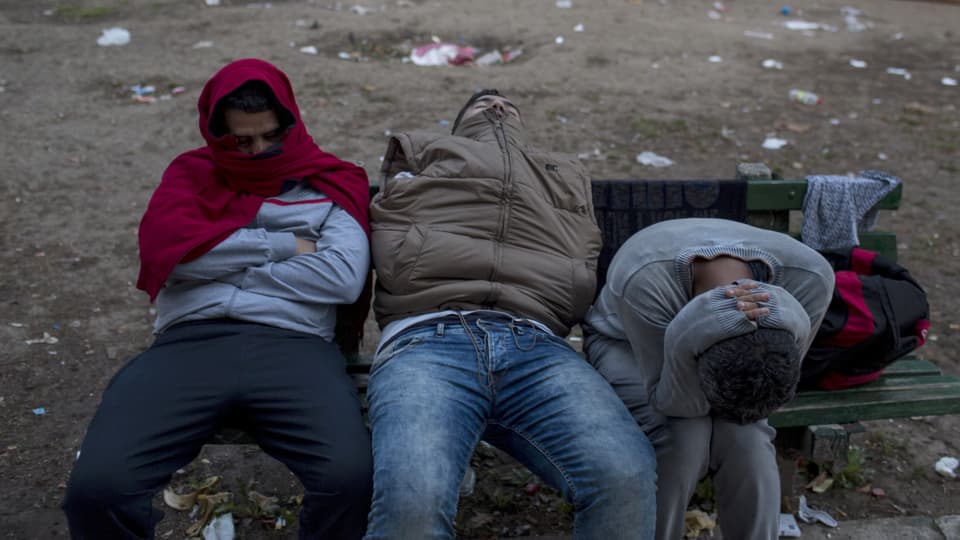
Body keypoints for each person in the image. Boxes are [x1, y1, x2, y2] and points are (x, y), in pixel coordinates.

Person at [62, 59, 373, 539]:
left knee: (349, 478)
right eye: (241, 142)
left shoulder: (331, 183)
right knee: (97, 487)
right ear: (217, 135)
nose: (258, 152)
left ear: (291, 123)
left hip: (295, 348)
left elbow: (341, 278)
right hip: (188, 345)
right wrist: (286, 245)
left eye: (271, 137)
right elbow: (169, 260)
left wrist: (218, 264)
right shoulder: (189, 178)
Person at [363, 89, 657, 539]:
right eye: (483, 105)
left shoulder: (559, 176)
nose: (497, 108)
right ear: (460, 125)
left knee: (626, 476)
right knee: (412, 499)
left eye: (507, 105)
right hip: (427, 339)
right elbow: (394, 244)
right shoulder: (426, 155)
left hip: (535, 345)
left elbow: (578, 271)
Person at [583, 217, 835, 540]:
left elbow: (775, 378)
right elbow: (671, 401)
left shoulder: (812, 280)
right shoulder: (644, 279)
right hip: (624, 341)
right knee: (682, 436)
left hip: (735, 361)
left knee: (748, 440)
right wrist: (689, 336)